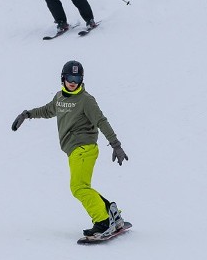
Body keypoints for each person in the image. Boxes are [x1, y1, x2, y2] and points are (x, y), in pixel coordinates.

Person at [11, 60, 130, 238]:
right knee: (83, 187)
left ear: (82, 79)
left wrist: (116, 145)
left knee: (78, 188)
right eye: (69, 77)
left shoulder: (86, 100)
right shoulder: (59, 97)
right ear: (63, 78)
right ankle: (113, 214)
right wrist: (27, 114)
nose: (73, 82)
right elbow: (47, 110)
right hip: (75, 150)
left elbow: (101, 121)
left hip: (84, 148)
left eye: (77, 78)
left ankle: (103, 222)